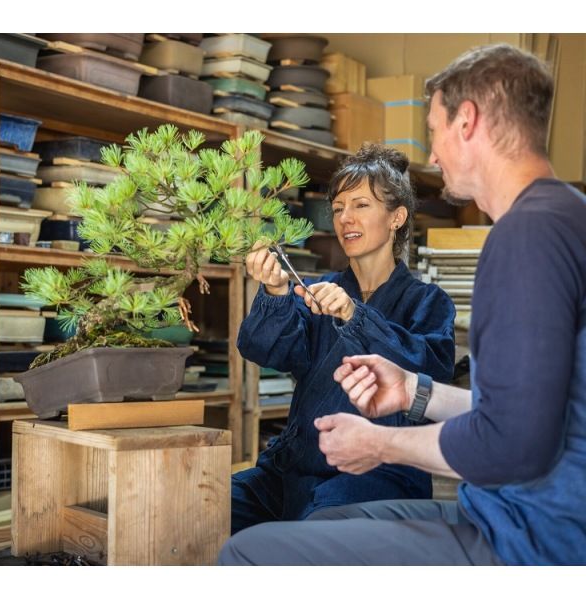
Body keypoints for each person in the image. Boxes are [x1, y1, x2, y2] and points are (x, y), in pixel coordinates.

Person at [219, 43, 586, 565]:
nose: (432, 155)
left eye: (433, 129)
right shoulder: (563, 216)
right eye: (338, 207)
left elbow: (513, 439)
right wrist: (411, 389)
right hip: (505, 510)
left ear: (468, 121)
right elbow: (510, 411)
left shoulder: (522, 237)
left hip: (528, 536)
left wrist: (380, 444)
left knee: (249, 553)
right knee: (217, 511)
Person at [231, 144, 456, 534]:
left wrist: (356, 316)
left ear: (397, 217)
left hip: (379, 475)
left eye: (361, 205)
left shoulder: (428, 301)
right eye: (338, 208)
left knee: (312, 532)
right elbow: (262, 349)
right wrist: (276, 292)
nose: (345, 218)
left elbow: (430, 372)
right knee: (206, 507)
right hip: (291, 472)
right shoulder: (320, 289)